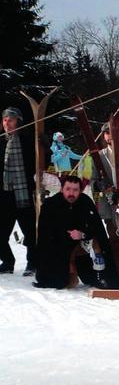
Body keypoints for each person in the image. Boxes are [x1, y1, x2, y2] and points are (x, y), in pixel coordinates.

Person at [33, 175, 119, 289]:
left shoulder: (85, 202)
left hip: (82, 246)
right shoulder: (51, 205)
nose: (71, 193)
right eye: (68, 189)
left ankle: (99, 276)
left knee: (96, 246)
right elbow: (45, 236)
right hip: (58, 249)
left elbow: (97, 228)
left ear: (80, 190)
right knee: (60, 281)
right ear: (61, 189)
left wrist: (82, 234)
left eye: (75, 190)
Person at [1, 106, 37, 275]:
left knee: (30, 232)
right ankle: (8, 262)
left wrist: (43, 143)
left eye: (11, 120)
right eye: (5, 120)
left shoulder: (29, 140)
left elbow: (43, 158)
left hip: (25, 193)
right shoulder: (1, 141)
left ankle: (32, 263)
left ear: (19, 122)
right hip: (5, 194)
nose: (7, 123)